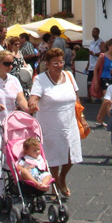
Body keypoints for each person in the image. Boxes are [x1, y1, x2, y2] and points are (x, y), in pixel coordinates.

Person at [27, 48, 83, 196]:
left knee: (72, 155)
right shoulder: (40, 79)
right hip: (50, 125)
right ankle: (55, 182)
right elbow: (34, 96)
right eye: (55, 63)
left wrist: (82, 118)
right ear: (47, 64)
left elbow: (76, 98)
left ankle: (62, 177)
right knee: (53, 157)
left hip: (69, 123)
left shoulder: (69, 76)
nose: (59, 65)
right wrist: (32, 103)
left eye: (61, 62)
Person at [0, 50, 30, 209]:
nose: (10, 67)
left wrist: (28, 108)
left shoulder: (14, 80)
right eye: (7, 64)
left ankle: (13, 187)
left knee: (14, 157)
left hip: (11, 125)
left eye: (12, 64)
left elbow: (21, 99)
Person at [91, 39, 112, 123]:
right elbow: (96, 69)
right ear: (108, 46)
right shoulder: (102, 56)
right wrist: (96, 81)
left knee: (107, 101)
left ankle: (100, 118)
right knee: (108, 100)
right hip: (104, 79)